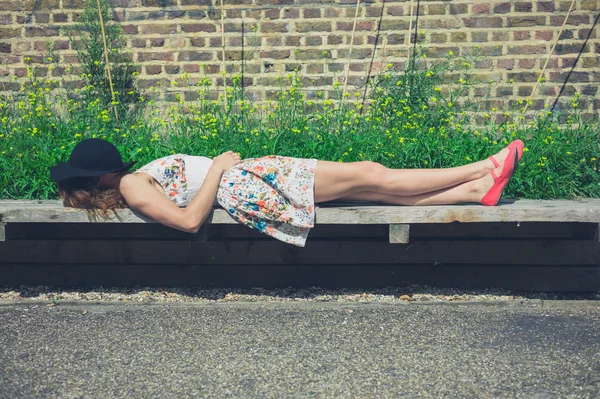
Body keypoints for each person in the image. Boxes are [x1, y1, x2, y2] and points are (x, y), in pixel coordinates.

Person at [51, 138, 523, 247]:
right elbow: (191, 220)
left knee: (379, 193)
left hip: (253, 182)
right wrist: (217, 168)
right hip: (252, 182)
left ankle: (478, 189)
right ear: (106, 176)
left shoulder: (132, 187)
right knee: (374, 174)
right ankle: (485, 165)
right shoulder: (133, 185)